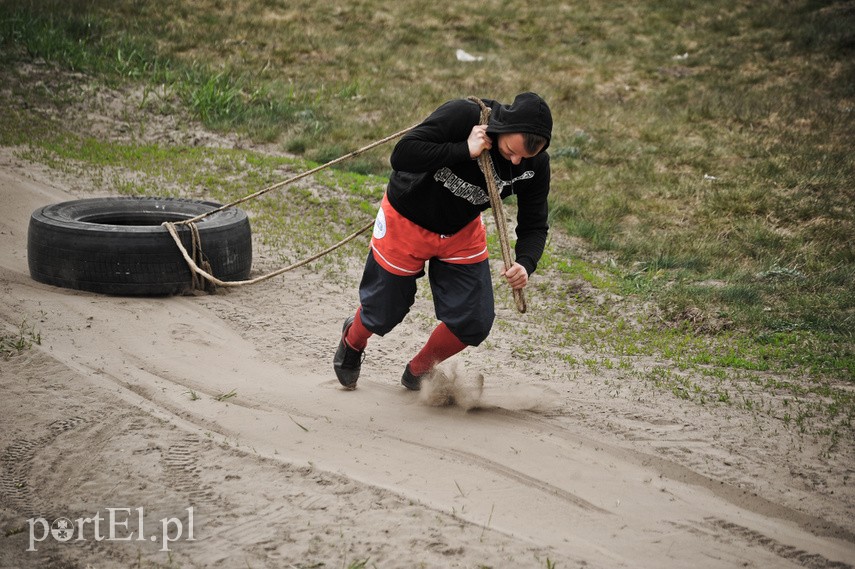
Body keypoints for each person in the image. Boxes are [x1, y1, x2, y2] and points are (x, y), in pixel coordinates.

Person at [333, 92, 553, 390]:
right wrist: (463, 149)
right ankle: (353, 340)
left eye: (525, 157)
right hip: (406, 220)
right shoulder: (463, 116)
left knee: (474, 321)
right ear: (500, 128)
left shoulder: (535, 165)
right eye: (511, 150)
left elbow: (535, 224)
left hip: (460, 230)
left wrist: (526, 264)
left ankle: (418, 371)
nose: (516, 161)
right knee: (383, 313)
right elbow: (402, 155)